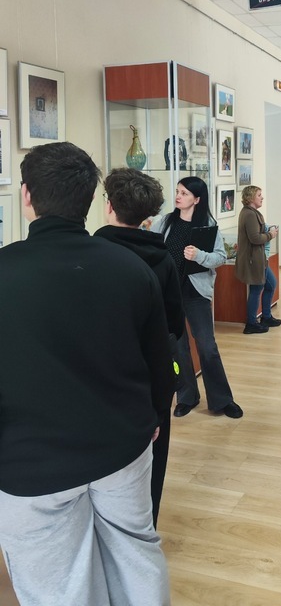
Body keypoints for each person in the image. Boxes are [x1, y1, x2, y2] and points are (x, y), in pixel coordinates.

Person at [0, 142, 172, 606]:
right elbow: (160, 361)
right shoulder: (131, 268)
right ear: (94, 199)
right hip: (123, 445)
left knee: (60, 582)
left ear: (27, 196)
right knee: (136, 554)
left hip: (31, 463)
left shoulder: (4, 271)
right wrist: (154, 417)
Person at [95, 167, 185, 527]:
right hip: (151, 373)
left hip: (104, 374)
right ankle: (146, 526)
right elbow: (174, 324)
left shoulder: (95, 253)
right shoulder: (162, 257)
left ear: (109, 206)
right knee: (153, 461)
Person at [152, 177, 243, 419]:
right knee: (178, 347)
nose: (178, 196)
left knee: (207, 346)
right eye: (177, 191)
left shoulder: (207, 225)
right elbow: (150, 245)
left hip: (196, 294)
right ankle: (186, 397)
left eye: (184, 193)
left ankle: (222, 400)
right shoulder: (165, 223)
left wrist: (199, 255)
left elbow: (220, 257)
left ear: (197, 199)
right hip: (168, 293)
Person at [236, 185, 281, 335]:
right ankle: (251, 323)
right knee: (256, 290)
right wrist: (271, 235)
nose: (262, 197)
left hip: (259, 259)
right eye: (259, 195)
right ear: (250, 198)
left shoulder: (251, 213)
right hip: (254, 260)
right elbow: (255, 238)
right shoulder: (249, 214)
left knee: (271, 284)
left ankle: (266, 317)